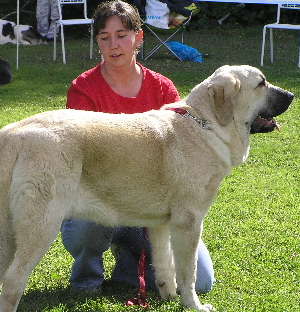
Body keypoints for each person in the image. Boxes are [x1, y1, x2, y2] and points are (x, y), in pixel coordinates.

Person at [62, 0, 214, 295]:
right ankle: (86, 278)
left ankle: (129, 266)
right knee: (86, 228)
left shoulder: (163, 88)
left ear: (138, 38)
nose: (113, 45)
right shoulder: (83, 89)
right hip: (99, 198)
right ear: (97, 42)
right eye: (104, 38)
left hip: (152, 207)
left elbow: (180, 152)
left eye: (122, 35)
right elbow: (82, 161)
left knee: (203, 282)